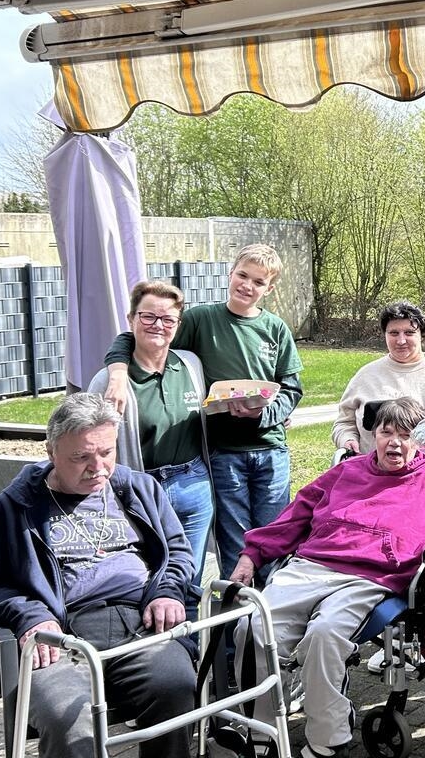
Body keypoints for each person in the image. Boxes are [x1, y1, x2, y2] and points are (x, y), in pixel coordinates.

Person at [230, 397, 425, 758]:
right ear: (374, 435)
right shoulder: (346, 472)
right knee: (252, 627)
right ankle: (263, 733)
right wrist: (253, 554)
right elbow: (298, 512)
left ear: (419, 442)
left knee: (325, 636)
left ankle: (328, 748)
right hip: (310, 567)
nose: (395, 443)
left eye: (406, 435)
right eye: (387, 432)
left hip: (369, 578)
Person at [0, 393, 197, 758]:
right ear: (51, 452)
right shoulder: (17, 505)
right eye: (81, 457)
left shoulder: (138, 489)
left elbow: (178, 551)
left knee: (176, 687)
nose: (98, 468)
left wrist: (167, 591)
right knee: (69, 718)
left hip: (139, 623)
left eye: (107, 452)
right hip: (60, 637)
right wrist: (30, 616)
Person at [103, 243, 303, 579]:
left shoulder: (275, 329)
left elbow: (292, 386)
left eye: (257, 281)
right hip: (224, 453)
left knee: (272, 537)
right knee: (234, 542)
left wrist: (265, 414)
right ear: (230, 273)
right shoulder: (200, 319)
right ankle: (232, 621)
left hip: (271, 451)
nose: (247, 286)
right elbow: (146, 336)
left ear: (269, 288)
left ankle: (270, 614)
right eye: (242, 275)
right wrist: (118, 370)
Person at [88, 280, 212, 617]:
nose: (158, 325)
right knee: (147, 576)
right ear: (131, 319)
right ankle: (154, 657)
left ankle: (187, 659)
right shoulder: (109, 381)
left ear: (178, 325)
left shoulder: (190, 365)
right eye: (148, 317)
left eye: (167, 319)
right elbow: (92, 444)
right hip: (143, 490)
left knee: (189, 579)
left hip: (194, 486)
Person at [332, 300, 425, 475]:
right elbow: (344, 422)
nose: (401, 340)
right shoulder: (365, 376)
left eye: (409, 333)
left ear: (422, 335)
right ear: (385, 335)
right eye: (394, 333)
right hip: (372, 480)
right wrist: (347, 439)